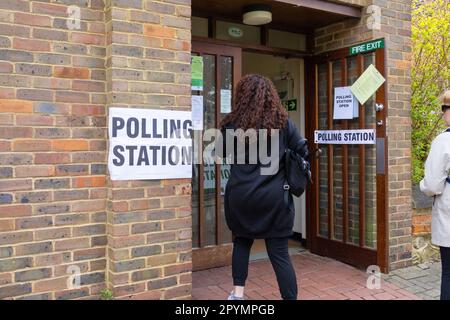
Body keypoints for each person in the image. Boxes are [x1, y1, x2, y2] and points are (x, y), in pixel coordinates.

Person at [215, 74, 306, 300]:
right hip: (274, 199)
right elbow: (302, 150)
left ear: (242, 96)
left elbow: (220, 153)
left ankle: (238, 295)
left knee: (242, 243)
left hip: (241, 196)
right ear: (271, 96)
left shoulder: (231, 124)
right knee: (280, 253)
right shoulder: (283, 123)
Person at [420, 90, 450, 300]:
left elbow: (432, 185)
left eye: (444, 108)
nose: (443, 113)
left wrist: (422, 185)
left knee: (448, 272)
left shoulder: (444, 140)